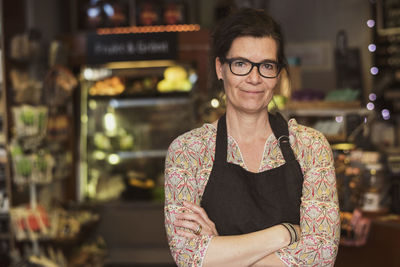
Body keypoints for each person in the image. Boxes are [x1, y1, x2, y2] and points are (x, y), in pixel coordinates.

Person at [164, 8, 340, 267]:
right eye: (241, 64)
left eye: (267, 65)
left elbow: (322, 254)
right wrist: (288, 232)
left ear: (278, 74)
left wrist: (221, 252)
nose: (254, 78)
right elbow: (189, 257)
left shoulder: (310, 146)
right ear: (220, 68)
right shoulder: (188, 151)